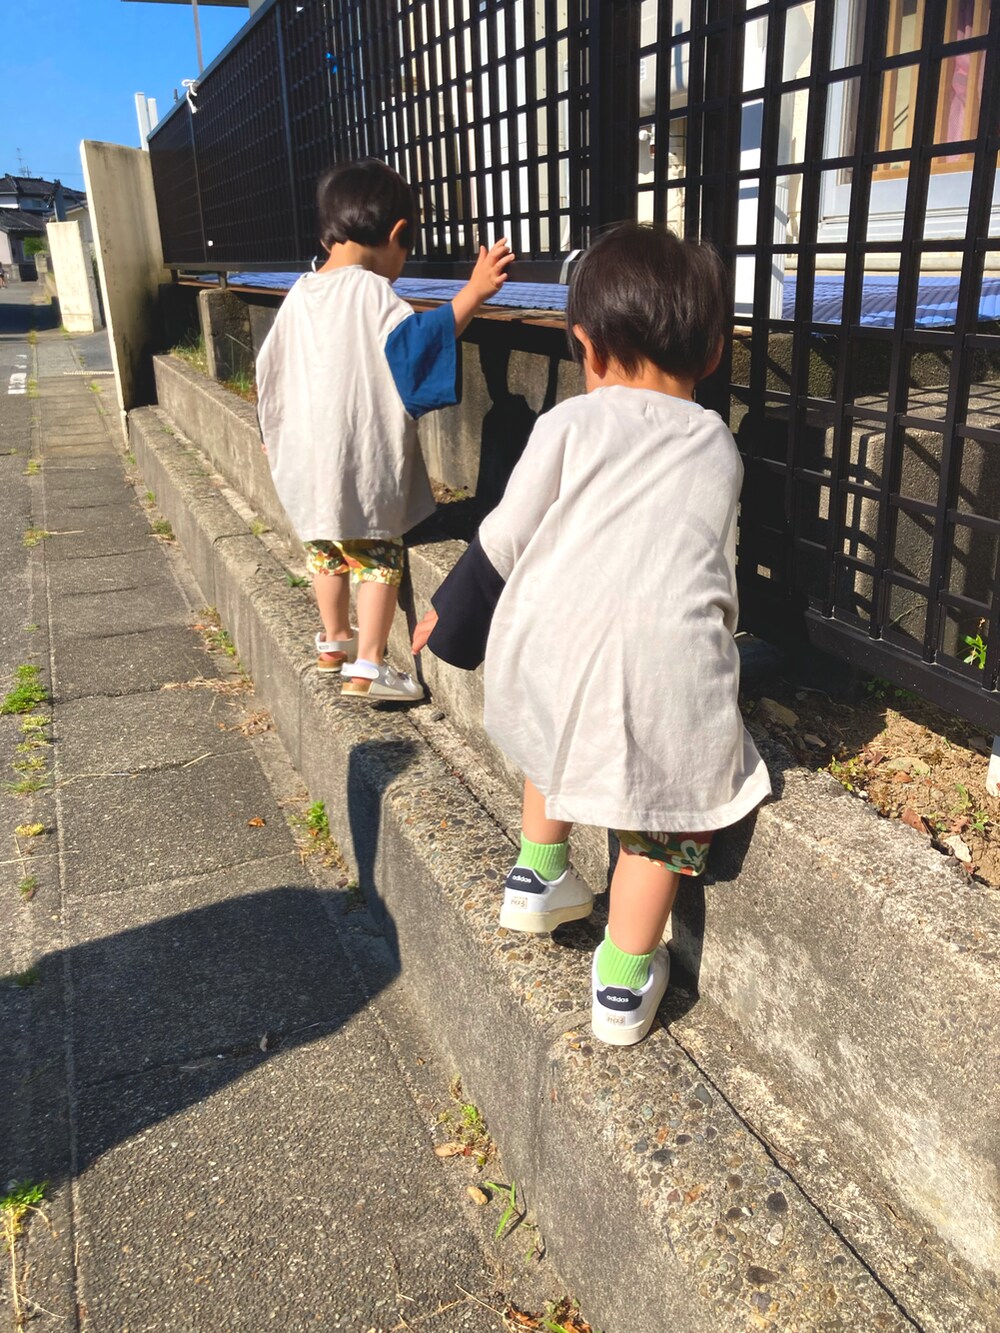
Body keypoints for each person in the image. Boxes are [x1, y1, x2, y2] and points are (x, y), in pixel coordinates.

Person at [411, 222, 771, 1044]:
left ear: (585, 348)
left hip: (548, 653)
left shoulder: (567, 423)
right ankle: (622, 974)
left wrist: (455, 611)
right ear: (713, 355)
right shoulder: (717, 444)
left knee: (556, 721)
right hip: (665, 671)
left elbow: (505, 531)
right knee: (664, 822)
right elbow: (714, 570)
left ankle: (537, 874)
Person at [256, 158, 514, 701]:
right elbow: (420, 344)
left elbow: (268, 370)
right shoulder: (375, 295)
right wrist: (474, 291)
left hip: (304, 461)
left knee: (325, 550)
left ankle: (333, 641)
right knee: (377, 554)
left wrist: (270, 430)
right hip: (358, 461)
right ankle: (370, 665)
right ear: (397, 234)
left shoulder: (299, 294)